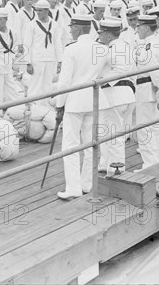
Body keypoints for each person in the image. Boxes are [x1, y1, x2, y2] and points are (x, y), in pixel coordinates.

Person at [54, 14, 109, 200]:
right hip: (94, 100)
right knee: (90, 144)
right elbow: (104, 73)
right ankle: (87, 183)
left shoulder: (71, 49)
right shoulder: (102, 49)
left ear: (78, 28)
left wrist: (59, 105)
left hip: (74, 102)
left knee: (70, 145)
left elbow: (64, 83)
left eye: (72, 27)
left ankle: (73, 188)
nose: (70, 30)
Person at [97, 17, 135, 175]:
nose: (99, 36)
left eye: (102, 33)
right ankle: (106, 163)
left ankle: (116, 170)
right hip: (127, 95)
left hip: (115, 95)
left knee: (114, 135)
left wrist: (100, 81)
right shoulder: (126, 46)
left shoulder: (112, 49)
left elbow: (120, 70)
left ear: (108, 35)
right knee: (108, 132)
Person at [134, 13, 159, 170]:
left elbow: (156, 75)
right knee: (153, 129)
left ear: (146, 27)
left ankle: (149, 166)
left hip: (147, 91)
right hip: (150, 91)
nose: (137, 30)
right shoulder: (154, 43)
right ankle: (156, 162)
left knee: (145, 130)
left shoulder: (149, 47)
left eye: (139, 27)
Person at [22, 0, 63, 102]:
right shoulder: (32, 24)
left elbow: (58, 43)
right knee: (35, 86)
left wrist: (60, 61)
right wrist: (28, 63)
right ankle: (32, 106)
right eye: (37, 10)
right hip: (37, 59)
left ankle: (45, 106)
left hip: (50, 59)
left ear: (46, 11)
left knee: (47, 86)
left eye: (41, 10)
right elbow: (27, 44)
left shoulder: (54, 24)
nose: (38, 13)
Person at [0, 7, 20, 107]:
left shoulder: (12, 32)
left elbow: (15, 47)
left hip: (8, 69)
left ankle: (17, 112)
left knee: (14, 93)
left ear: (6, 19)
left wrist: (14, 61)